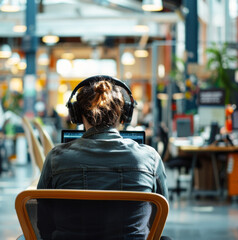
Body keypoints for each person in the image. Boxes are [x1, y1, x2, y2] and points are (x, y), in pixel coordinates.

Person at [37, 75, 168, 239]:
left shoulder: (56, 158)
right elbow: (158, 218)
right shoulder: (150, 158)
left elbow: (44, 222)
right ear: (124, 115)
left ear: (77, 115)